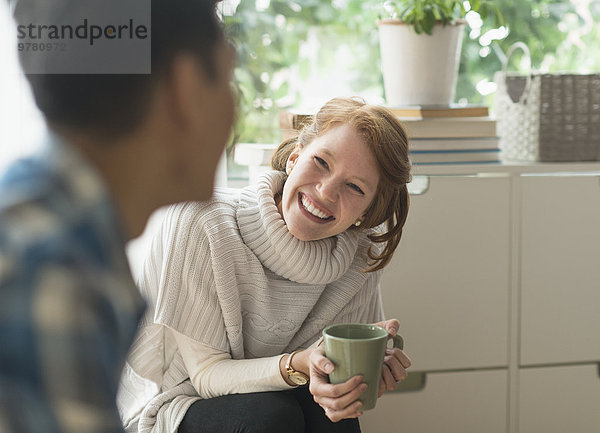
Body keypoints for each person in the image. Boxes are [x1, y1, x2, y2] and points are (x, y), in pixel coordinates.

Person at [0, 1, 234, 432]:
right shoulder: (52, 273)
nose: (235, 108)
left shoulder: (49, 228)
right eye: (228, 77)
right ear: (185, 90)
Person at [118, 97, 413, 433]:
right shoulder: (202, 222)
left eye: (355, 187)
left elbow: (330, 381)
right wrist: (297, 365)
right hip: (176, 402)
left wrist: (358, 383)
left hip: (283, 400)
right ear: (294, 157)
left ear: (367, 212)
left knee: (331, 420)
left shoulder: (358, 259)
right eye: (321, 162)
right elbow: (205, 376)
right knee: (271, 416)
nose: (326, 191)